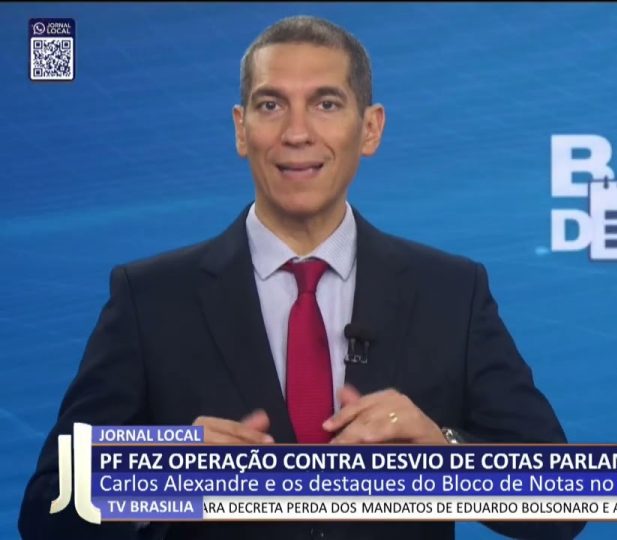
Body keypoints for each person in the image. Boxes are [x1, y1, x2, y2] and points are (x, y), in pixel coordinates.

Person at [19, 15, 582, 540]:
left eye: (326, 104)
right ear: (241, 129)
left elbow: (563, 500)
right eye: (270, 105)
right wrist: (155, 477)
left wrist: (444, 454)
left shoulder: (450, 293)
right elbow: (46, 511)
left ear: (370, 128)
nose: (296, 132)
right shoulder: (150, 298)